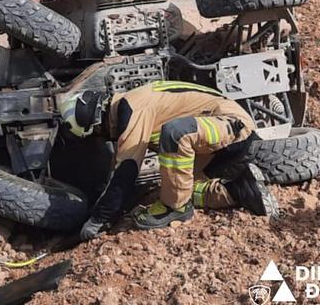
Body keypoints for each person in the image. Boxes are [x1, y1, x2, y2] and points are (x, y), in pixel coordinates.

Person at [59, 80, 279, 241]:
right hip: (216, 145)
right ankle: (242, 191)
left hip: (229, 125)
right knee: (181, 187)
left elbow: (126, 171)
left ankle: (175, 208)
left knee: (175, 132)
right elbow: (117, 175)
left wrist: (98, 219)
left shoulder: (131, 106)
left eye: (98, 133)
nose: (104, 138)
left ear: (99, 122)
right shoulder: (129, 109)